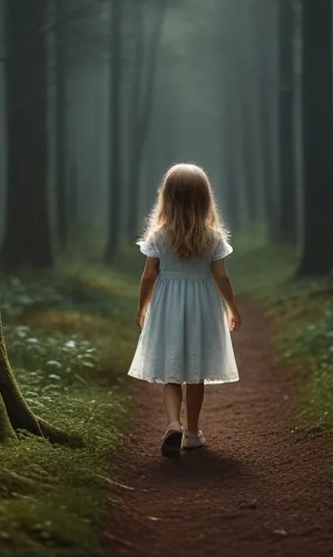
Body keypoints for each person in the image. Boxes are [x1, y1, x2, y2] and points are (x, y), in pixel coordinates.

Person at [128, 163, 241, 459]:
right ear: (205, 199)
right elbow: (222, 277)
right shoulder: (212, 238)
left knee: (171, 371)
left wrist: (142, 307)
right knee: (195, 373)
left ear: (167, 197)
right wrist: (232, 307)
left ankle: (172, 424)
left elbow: (149, 274)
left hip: (167, 305)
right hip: (202, 305)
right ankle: (192, 433)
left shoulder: (159, 236)